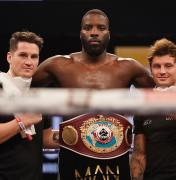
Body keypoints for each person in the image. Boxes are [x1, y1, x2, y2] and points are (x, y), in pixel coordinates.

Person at [32, 9, 154, 180]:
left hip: (115, 158)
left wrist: (141, 132)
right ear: (80, 33)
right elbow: (24, 90)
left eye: (101, 28)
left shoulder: (129, 67)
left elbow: (161, 94)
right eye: (88, 28)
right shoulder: (58, 65)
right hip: (73, 159)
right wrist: (44, 127)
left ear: (108, 34)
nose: (94, 32)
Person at [0, 31, 59, 180]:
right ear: (9, 57)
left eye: (34, 56)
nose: (29, 62)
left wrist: (77, 135)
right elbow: (25, 122)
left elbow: (45, 138)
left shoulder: (37, 94)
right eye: (23, 55)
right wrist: (22, 121)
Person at [130, 38, 176, 180]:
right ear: (151, 70)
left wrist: (170, 105)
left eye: (168, 66)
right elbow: (139, 154)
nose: (162, 71)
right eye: (157, 66)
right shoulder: (144, 104)